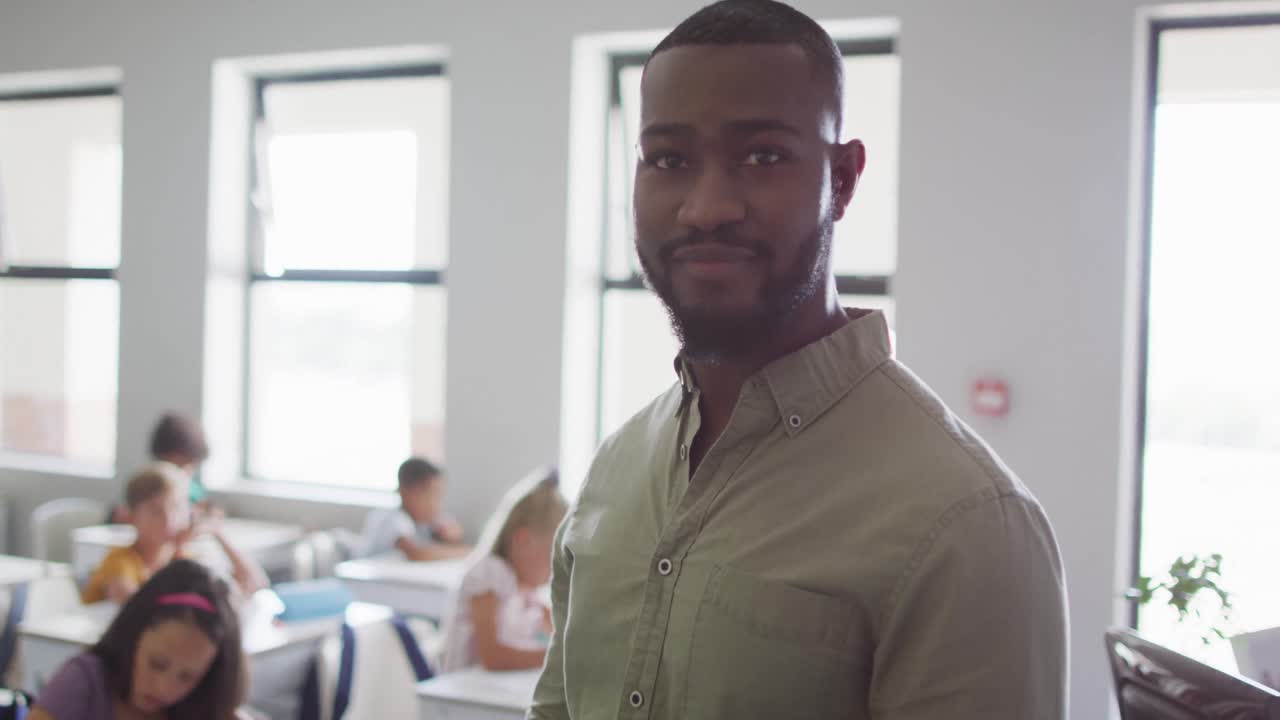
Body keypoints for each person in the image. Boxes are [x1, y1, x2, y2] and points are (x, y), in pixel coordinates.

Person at [529, 2, 1068, 718]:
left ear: (842, 179)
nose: (706, 207)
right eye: (669, 160)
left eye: (762, 156)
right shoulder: (617, 466)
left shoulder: (965, 523)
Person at [30, 559, 247, 720]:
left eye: (187, 677)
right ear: (133, 637)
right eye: (157, 664)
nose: (164, 687)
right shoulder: (84, 681)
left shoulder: (209, 705)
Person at [82, 463, 268, 604]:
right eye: (156, 511)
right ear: (130, 516)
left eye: (176, 507)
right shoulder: (121, 561)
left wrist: (216, 531)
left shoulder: (185, 558)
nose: (168, 520)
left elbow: (254, 583)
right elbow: (141, 611)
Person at [439, 468, 567, 672]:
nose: (553, 572)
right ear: (523, 540)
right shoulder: (490, 573)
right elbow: (493, 656)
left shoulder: (524, 590)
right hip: (462, 692)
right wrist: (557, 657)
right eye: (551, 558)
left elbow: (551, 634)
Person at [109, 413, 212, 524]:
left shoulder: (194, 492)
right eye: (178, 465)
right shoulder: (146, 486)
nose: (182, 474)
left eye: (189, 466)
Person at [361, 457, 469, 560]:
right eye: (428, 495)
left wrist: (451, 538)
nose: (434, 504)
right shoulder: (392, 519)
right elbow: (415, 553)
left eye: (438, 496)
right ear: (404, 492)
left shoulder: (427, 522)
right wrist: (468, 553)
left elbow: (453, 536)